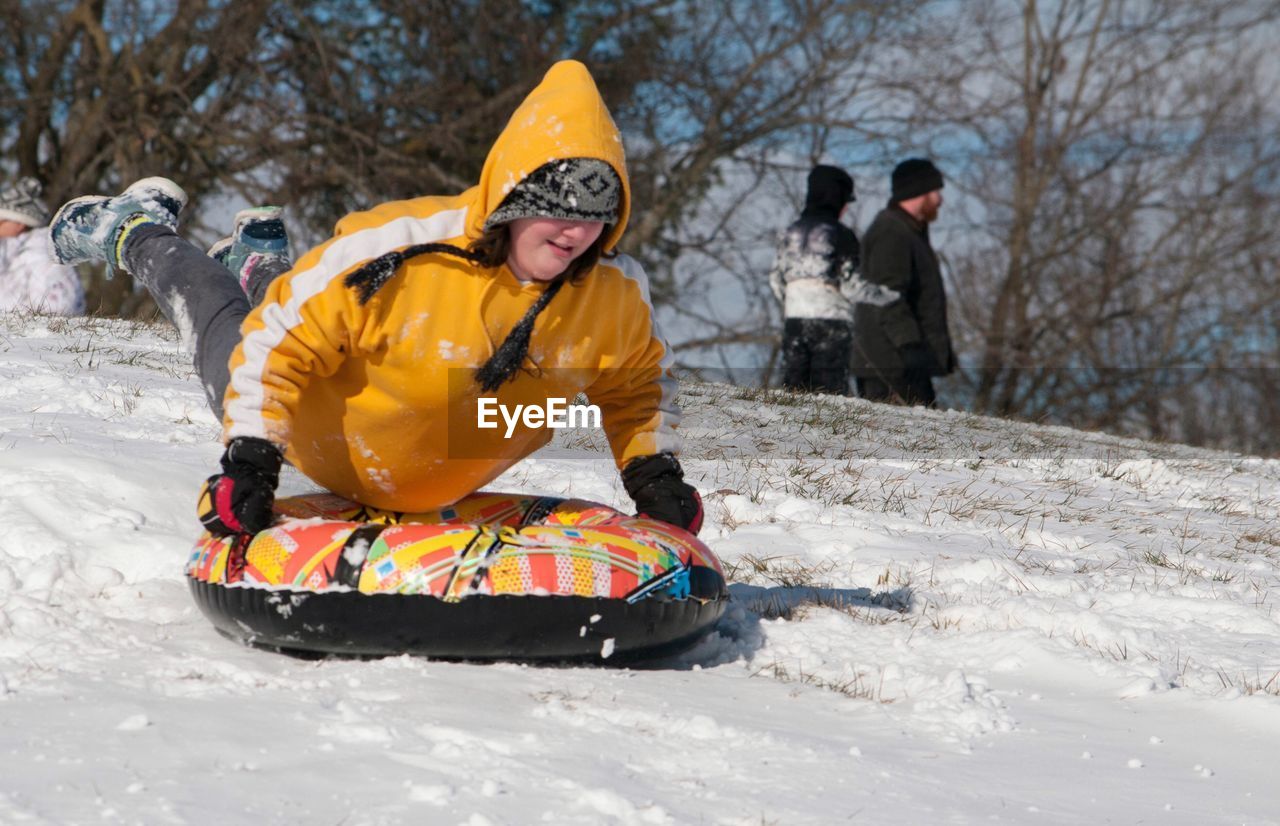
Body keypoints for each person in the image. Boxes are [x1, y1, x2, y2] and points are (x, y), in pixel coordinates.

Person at [48, 60, 702, 538]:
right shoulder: (403, 252)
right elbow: (278, 347)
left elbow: (635, 388)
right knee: (223, 319)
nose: (574, 231)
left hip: (424, 473)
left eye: (597, 214)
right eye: (551, 206)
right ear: (508, 197)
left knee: (282, 295)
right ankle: (136, 230)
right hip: (308, 432)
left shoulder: (611, 294)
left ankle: (258, 262)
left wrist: (654, 477)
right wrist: (249, 460)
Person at [850, 158, 954, 406]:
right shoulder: (892, 232)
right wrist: (909, 346)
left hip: (901, 363)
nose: (940, 199)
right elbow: (886, 294)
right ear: (919, 191)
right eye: (935, 191)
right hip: (890, 363)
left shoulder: (908, 231)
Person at [767, 164, 859, 395]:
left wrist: (791, 302)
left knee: (794, 389)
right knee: (830, 394)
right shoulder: (842, 235)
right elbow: (851, 283)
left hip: (795, 319)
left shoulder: (791, 232)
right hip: (832, 322)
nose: (846, 208)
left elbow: (776, 279)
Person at [0, 177, 85, 315]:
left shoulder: (44, 255)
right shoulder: (12, 257)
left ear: (19, 224)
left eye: (2, 221)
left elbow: (59, 308)